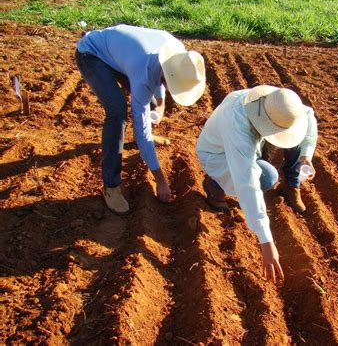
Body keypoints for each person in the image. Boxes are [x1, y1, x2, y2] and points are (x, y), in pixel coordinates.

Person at [76, 24, 206, 214]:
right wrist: (160, 181)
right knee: (117, 112)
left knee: (151, 102)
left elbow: (162, 73)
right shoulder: (143, 72)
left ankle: (148, 137)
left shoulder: (176, 53)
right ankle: (111, 187)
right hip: (92, 54)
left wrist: (160, 105)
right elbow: (154, 77)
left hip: (123, 54)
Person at [196, 86, 317, 283]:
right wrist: (266, 242)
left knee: (292, 138)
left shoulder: (279, 102)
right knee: (266, 178)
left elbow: (308, 117)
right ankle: (214, 183)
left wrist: (306, 156)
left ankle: (291, 185)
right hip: (218, 154)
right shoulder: (237, 125)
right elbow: (248, 183)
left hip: (251, 145)